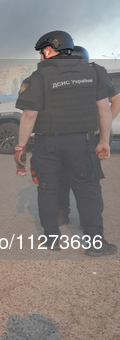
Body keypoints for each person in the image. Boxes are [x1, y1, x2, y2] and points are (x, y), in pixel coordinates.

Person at [14, 30, 116, 256]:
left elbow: (29, 116)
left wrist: (20, 148)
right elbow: (105, 109)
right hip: (82, 143)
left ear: (49, 50)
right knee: (87, 190)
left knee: (48, 189)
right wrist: (103, 141)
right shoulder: (94, 72)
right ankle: (95, 245)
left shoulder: (37, 78)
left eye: (42, 52)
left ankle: (52, 239)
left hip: (47, 145)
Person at [57, 46, 119, 225]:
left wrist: (103, 124)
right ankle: (69, 216)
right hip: (71, 136)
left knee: (87, 179)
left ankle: (86, 219)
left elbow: (116, 100)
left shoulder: (92, 74)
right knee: (76, 178)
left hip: (83, 136)